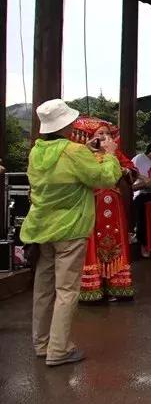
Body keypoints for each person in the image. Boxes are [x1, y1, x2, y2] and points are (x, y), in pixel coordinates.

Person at [21, 99, 123, 366]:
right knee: (66, 289)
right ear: (65, 124)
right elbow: (104, 178)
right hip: (70, 227)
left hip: (41, 227)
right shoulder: (73, 152)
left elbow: (59, 169)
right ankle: (59, 350)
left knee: (43, 289)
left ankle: (42, 344)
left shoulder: (36, 152)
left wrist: (85, 150)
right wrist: (110, 154)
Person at [69, 117, 138, 303]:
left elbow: (132, 169)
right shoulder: (84, 155)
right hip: (93, 203)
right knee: (94, 241)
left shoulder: (116, 154)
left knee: (116, 239)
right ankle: (94, 286)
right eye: (101, 134)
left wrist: (125, 171)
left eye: (108, 133)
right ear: (91, 137)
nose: (106, 137)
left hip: (114, 205)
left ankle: (117, 285)